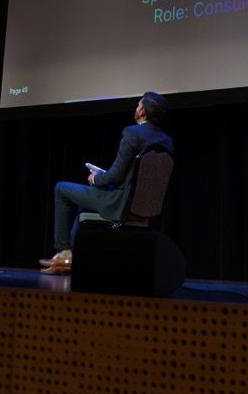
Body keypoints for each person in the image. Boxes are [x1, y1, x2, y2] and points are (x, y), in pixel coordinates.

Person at [40, 91, 173, 275]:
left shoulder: (132, 133)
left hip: (119, 205)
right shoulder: (167, 141)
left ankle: (64, 253)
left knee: (61, 189)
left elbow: (116, 176)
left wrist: (96, 178)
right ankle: (72, 258)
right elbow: (130, 177)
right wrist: (105, 176)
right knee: (84, 201)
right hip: (143, 209)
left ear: (142, 111)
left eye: (137, 105)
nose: (136, 108)